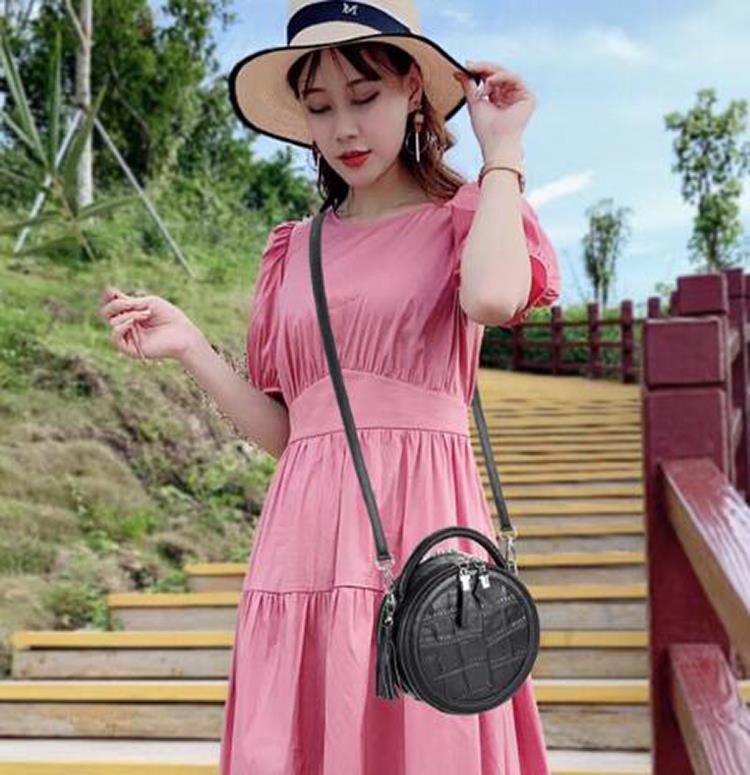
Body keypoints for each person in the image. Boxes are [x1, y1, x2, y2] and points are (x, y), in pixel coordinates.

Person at [99, 2, 561, 772]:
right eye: (319, 107)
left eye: (365, 96)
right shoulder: (294, 251)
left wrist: (503, 151)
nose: (344, 128)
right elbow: (293, 433)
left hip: (422, 534)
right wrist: (190, 347)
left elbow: (491, 297)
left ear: (412, 89)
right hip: (301, 546)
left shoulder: (468, 214)